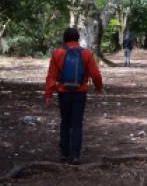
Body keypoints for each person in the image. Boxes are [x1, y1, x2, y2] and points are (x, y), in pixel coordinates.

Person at [44, 28, 103, 165]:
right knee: (77, 123)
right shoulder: (86, 53)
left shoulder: (57, 52)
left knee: (65, 122)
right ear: (77, 38)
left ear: (64, 38)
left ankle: (64, 154)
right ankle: (75, 155)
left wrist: (49, 95)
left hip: (63, 91)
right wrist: (99, 87)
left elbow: (51, 76)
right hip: (80, 92)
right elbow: (95, 74)